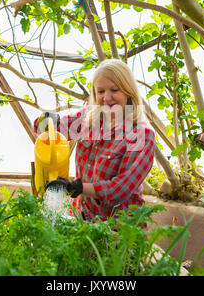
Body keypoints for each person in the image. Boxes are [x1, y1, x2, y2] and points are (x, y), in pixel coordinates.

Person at [33, 59, 155, 222]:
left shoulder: (141, 135)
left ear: (128, 91)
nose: (107, 98)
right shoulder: (88, 118)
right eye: (101, 91)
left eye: (114, 90)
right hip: (81, 220)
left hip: (119, 229)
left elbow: (121, 189)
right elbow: (44, 128)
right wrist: (47, 121)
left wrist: (79, 188)